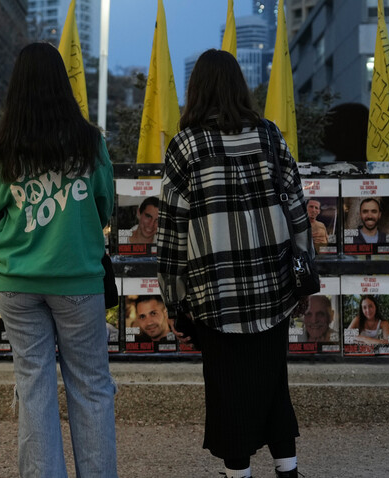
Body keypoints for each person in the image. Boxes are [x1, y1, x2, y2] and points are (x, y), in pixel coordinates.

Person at [157, 49, 307, 478]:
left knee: (227, 387)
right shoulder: (270, 136)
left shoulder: (185, 147)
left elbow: (171, 233)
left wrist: (174, 299)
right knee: (273, 379)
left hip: (214, 294)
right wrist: (300, 268)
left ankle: (238, 474)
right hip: (273, 287)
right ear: (240, 87)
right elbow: (297, 209)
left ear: (196, 91)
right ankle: (288, 468)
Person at [0, 42, 117, 478]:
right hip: (78, 280)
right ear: (63, 84)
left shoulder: (3, 147)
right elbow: (106, 204)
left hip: (17, 281)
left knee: (34, 387)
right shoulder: (89, 142)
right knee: (91, 386)